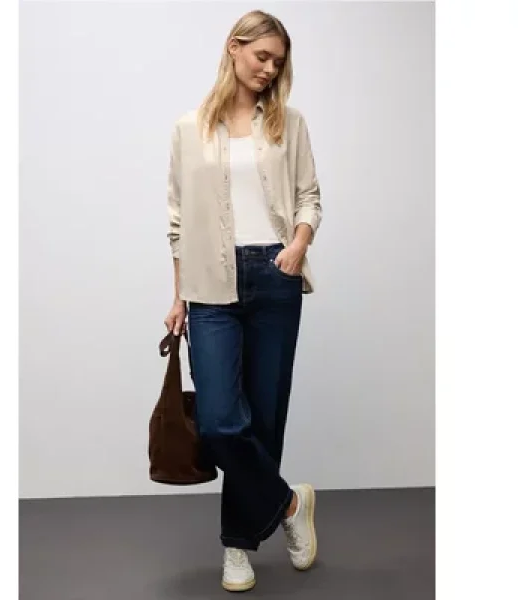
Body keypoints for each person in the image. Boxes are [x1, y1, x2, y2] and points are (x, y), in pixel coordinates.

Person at [163, 9, 322, 593]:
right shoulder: (189, 129)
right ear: (234, 47)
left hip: (276, 276)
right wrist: (179, 296)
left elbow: (309, 197)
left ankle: (238, 546)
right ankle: (288, 504)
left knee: (264, 416)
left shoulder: (289, 123)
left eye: (278, 62)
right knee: (219, 422)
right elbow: (178, 222)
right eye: (262, 56)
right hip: (210, 284)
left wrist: (298, 246)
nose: (270, 69)